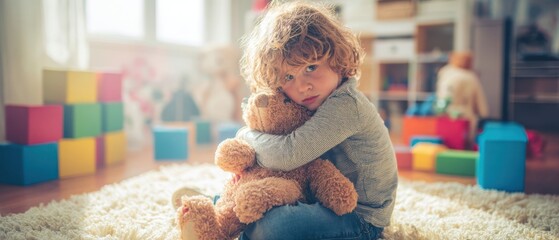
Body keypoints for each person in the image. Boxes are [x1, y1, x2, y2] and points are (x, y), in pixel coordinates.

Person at [236, 2, 398, 239]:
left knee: (275, 227)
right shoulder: (314, 100)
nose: (302, 86)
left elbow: (288, 154)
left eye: (311, 67)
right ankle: (219, 207)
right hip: (320, 199)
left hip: (360, 219)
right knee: (249, 198)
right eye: (289, 76)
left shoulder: (346, 105)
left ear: (337, 58)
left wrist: (244, 137)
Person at [436, 51, 489, 146]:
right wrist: (484, 114)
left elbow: (441, 98)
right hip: (465, 116)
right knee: (464, 145)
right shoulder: (471, 77)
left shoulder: (445, 74)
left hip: (445, 116)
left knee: (446, 145)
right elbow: (482, 106)